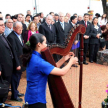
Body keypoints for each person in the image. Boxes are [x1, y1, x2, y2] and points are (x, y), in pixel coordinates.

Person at [21, 33, 78, 108]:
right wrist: (71, 62)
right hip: (37, 100)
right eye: (45, 42)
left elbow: (51, 68)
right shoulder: (39, 62)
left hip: (30, 95)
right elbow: (62, 72)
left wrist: (64, 59)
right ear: (39, 44)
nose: (47, 45)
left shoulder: (33, 56)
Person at [7, 21, 25, 102]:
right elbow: (13, 52)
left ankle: (16, 92)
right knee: (15, 79)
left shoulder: (19, 35)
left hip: (21, 61)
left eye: (21, 28)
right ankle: (14, 96)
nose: (21, 29)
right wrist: (17, 64)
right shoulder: (11, 37)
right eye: (19, 28)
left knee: (18, 78)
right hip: (16, 62)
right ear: (14, 28)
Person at [0, 18, 15, 103]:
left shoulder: (3, 35)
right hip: (2, 67)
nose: (3, 27)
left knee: (6, 86)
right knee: (2, 87)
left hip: (8, 65)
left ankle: (3, 102)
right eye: (1, 25)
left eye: (3, 25)